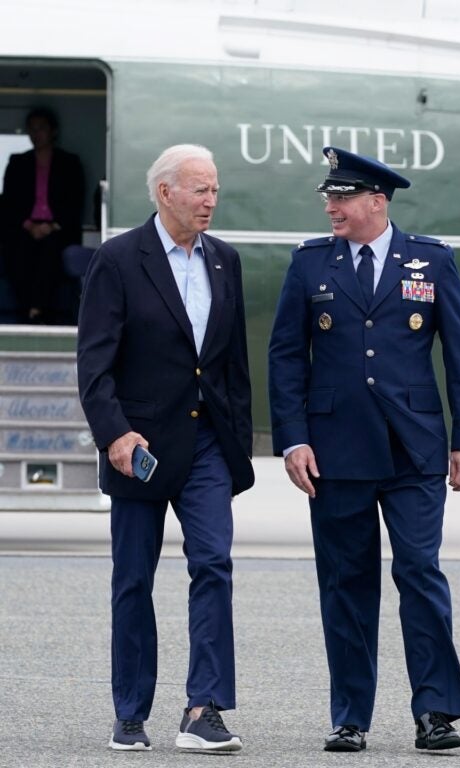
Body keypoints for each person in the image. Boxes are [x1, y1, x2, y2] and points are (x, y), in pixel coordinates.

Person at [267, 147, 460, 752]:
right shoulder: (310, 263)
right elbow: (286, 356)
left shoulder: (431, 260)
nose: (331, 208)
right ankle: (350, 717)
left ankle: (435, 711)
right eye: (329, 198)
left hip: (414, 448)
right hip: (336, 450)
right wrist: (293, 438)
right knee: (346, 582)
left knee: (419, 572)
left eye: (342, 198)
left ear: (377, 202)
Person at [76, 144, 254, 752]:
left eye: (215, 189)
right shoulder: (119, 259)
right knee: (134, 579)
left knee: (214, 566)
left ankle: (204, 709)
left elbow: (233, 365)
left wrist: (237, 447)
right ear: (165, 193)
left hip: (207, 445)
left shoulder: (225, 260)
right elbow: (94, 363)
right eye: (200, 189)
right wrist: (114, 433)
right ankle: (130, 713)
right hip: (139, 445)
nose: (211, 200)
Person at [0, 107, 85, 323]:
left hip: (57, 227)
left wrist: (52, 226)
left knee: (51, 251)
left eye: (41, 128)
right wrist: (29, 225)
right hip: (25, 227)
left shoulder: (70, 162)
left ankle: (36, 310)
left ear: (53, 131)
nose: (36, 134)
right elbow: (9, 202)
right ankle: (30, 310)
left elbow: (75, 201)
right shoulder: (18, 162)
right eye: (32, 129)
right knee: (18, 251)